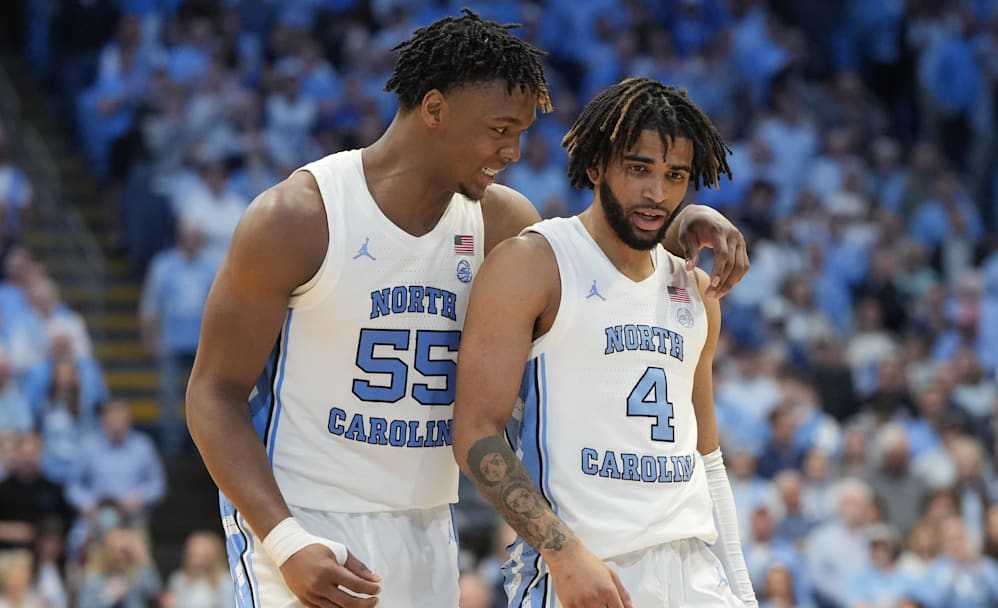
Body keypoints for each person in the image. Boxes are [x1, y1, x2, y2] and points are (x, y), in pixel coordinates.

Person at [185, 12, 750, 608]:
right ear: (434, 110)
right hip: (307, 515)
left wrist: (676, 223)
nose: (512, 151)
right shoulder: (298, 217)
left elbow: (591, 262)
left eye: (521, 133)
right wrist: (283, 539)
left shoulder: (501, 221)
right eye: (500, 129)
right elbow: (212, 394)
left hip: (428, 520)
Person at [453, 77, 757, 608]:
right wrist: (561, 552)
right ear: (596, 167)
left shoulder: (697, 292)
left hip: (694, 574)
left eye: (675, 176)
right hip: (584, 569)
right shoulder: (534, 264)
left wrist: (743, 592)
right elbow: (477, 434)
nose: (657, 193)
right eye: (639, 169)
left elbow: (707, 460)